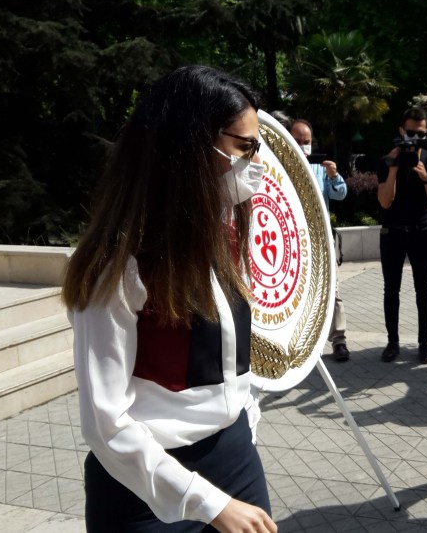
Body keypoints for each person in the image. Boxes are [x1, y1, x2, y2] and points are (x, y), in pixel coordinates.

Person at [61, 66, 277, 532]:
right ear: (189, 145)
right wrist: (206, 502)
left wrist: (246, 423)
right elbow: (104, 423)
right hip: (144, 484)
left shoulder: (227, 234)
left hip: (235, 456)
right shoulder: (119, 262)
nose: (255, 163)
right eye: (244, 147)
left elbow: (232, 361)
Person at [376, 107, 427, 363]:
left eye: (421, 133)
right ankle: (392, 342)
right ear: (401, 131)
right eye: (411, 132)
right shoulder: (386, 160)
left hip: (421, 232)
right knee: (390, 289)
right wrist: (393, 169)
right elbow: (385, 202)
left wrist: (426, 178)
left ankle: (424, 344)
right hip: (392, 232)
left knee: (423, 289)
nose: (415, 138)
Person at [290, 118, 351, 362]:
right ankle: (300, 344)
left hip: (321, 239)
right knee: (298, 294)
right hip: (293, 240)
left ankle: (339, 340)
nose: (303, 146)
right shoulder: (282, 164)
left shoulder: (320, 168)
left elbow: (341, 194)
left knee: (332, 290)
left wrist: (334, 176)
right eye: (297, 141)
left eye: (306, 141)